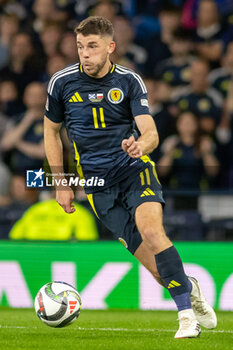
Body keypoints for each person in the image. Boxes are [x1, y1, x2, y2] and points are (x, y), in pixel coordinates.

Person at [43, 16, 217, 338]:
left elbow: (150, 132)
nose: (85, 53)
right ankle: (189, 286)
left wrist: (139, 145)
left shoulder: (129, 82)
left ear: (110, 47)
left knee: (152, 230)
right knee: (156, 272)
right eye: (80, 46)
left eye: (92, 46)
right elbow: (51, 132)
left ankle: (185, 319)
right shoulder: (61, 83)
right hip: (97, 187)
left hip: (134, 170)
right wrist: (61, 182)